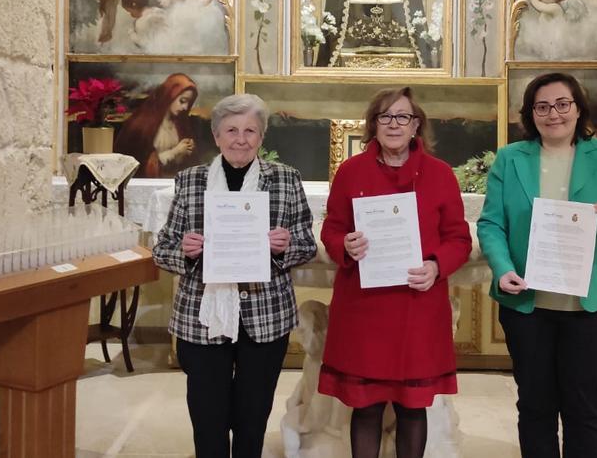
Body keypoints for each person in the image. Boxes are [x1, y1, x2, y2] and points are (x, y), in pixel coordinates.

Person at [476, 73, 597, 458]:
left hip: (591, 307)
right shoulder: (510, 158)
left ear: (578, 108)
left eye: (562, 104)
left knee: (584, 408)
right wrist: (502, 267)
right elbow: (491, 223)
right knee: (534, 407)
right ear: (531, 114)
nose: (553, 114)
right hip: (528, 305)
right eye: (542, 106)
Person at [153, 93, 317, 458]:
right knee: (208, 417)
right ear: (216, 136)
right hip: (202, 318)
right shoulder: (191, 181)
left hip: (265, 317)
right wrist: (185, 251)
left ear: (261, 137)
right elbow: (162, 249)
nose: (240, 139)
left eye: (250, 131)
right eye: (231, 130)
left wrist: (285, 246)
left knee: (252, 416)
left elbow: (307, 244)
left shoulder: (286, 179)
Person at [319, 87, 473, 458]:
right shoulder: (350, 171)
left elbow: (459, 238)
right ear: (373, 124)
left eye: (402, 116)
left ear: (416, 124)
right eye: (385, 116)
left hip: (417, 305)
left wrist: (436, 265)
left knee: (412, 407)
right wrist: (346, 245)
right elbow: (332, 228)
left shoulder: (440, 175)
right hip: (364, 307)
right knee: (366, 406)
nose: (394, 124)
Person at [114, 73, 198, 177]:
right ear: (170, 96)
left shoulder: (180, 126)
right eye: (182, 101)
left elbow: (188, 165)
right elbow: (134, 163)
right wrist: (174, 152)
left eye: (188, 103)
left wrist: (187, 150)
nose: (185, 107)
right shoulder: (142, 124)